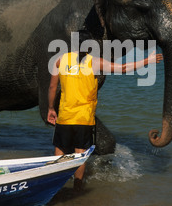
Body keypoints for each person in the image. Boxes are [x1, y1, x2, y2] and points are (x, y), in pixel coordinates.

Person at [47, 31, 163, 191]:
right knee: (80, 154)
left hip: (65, 116)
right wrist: (147, 61)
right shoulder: (94, 62)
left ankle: (53, 186)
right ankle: (77, 188)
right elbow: (123, 68)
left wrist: (51, 108)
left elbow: (53, 87)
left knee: (60, 153)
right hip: (84, 118)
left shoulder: (59, 60)